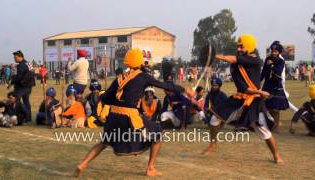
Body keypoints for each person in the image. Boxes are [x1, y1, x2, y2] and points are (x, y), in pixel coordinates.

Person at [74, 49, 185, 177]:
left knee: (104, 142)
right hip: (130, 117)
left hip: (114, 116)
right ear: (139, 62)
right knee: (158, 134)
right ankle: (150, 169)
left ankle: (83, 164)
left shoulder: (120, 78)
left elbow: (105, 98)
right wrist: (184, 89)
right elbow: (165, 86)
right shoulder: (143, 76)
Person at [201, 34, 284, 164]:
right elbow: (243, 87)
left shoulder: (255, 60)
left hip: (254, 100)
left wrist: (215, 56)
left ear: (249, 47)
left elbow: (235, 60)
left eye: (241, 46)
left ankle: (276, 155)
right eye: (238, 46)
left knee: (262, 129)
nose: (238, 49)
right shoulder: (235, 65)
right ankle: (213, 145)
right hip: (240, 97)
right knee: (214, 118)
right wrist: (260, 91)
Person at [261, 41, 289, 132]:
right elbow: (264, 72)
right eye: (272, 50)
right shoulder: (267, 59)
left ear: (279, 52)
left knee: (275, 109)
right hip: (267, 86)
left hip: (276, 86)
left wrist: (272, 65)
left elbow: (278, 72)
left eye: (276, 51)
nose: (273, 52)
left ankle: (276, 126)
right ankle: (269, 125)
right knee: (266, 107)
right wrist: (258, 81)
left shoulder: (281, 61)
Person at [9, 50, 35, 124]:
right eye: (14, 57)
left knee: (16, 100)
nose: (14, 59)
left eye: (16, 57)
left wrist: (12, 82)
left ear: (21, 57)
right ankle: (28, 118)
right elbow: (31, 73)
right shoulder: (28, 63)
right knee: (26, 102)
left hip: (22, 86)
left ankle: (19, 117)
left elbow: (18, 77)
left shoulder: (21, 65)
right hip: (29, 86)